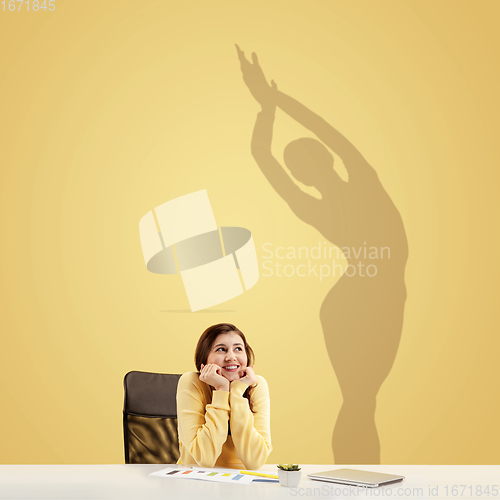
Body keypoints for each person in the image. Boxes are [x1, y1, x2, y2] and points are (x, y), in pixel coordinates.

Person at [176, 323, 272, 469]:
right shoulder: (191, 382)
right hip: (196, 480)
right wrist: (221, 390)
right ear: (204, 358)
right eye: (221, 349)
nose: (231, 357)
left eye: (238, 349)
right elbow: (204, 459)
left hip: (242, 482)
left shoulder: (256, 385)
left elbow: (254, 462)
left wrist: (237, 391)